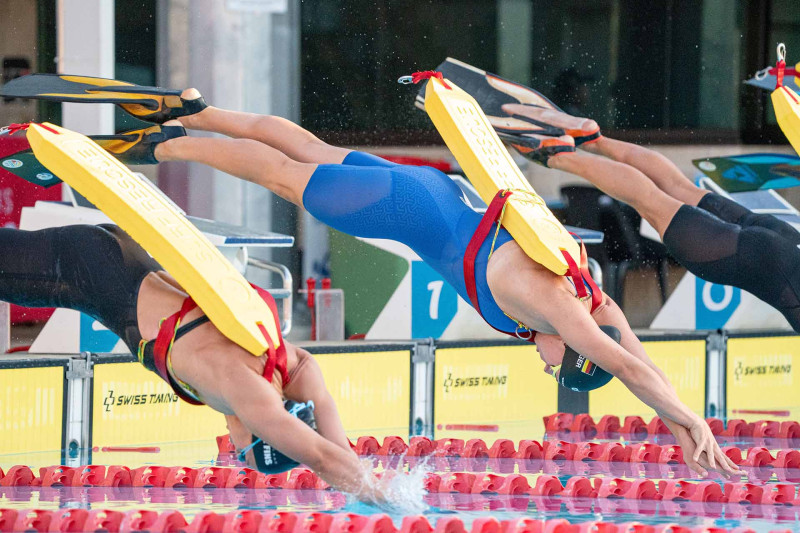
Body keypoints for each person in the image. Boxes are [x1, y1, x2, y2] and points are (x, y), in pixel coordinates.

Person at [101, 87, 741, 478]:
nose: (548, 366)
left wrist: (685, 424)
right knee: (282, 176)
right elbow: (623, 365)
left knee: (310, 150)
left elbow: (631, 355)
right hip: (400, 209)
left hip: (430, 190)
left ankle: (200, 111)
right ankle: (164, 145)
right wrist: (691, 420)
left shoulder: (590, 301)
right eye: (559, 367)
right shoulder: (558, 309)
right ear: (573, 347)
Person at [0, 222, 387, 502]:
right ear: (258, 433)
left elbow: (338, 451)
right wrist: (390, 503)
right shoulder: (243, 390)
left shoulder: (293, 364)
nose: (231, 443)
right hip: (82, 269)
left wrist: (375, 485)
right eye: (241, 452)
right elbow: (321, 457)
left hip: (116, 254)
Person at [499, 102, 800, 333]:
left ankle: (593, 138)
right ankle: (558, 155)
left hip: (784, 239)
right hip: (756, 260)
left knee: (678, 187)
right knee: (650, 200)